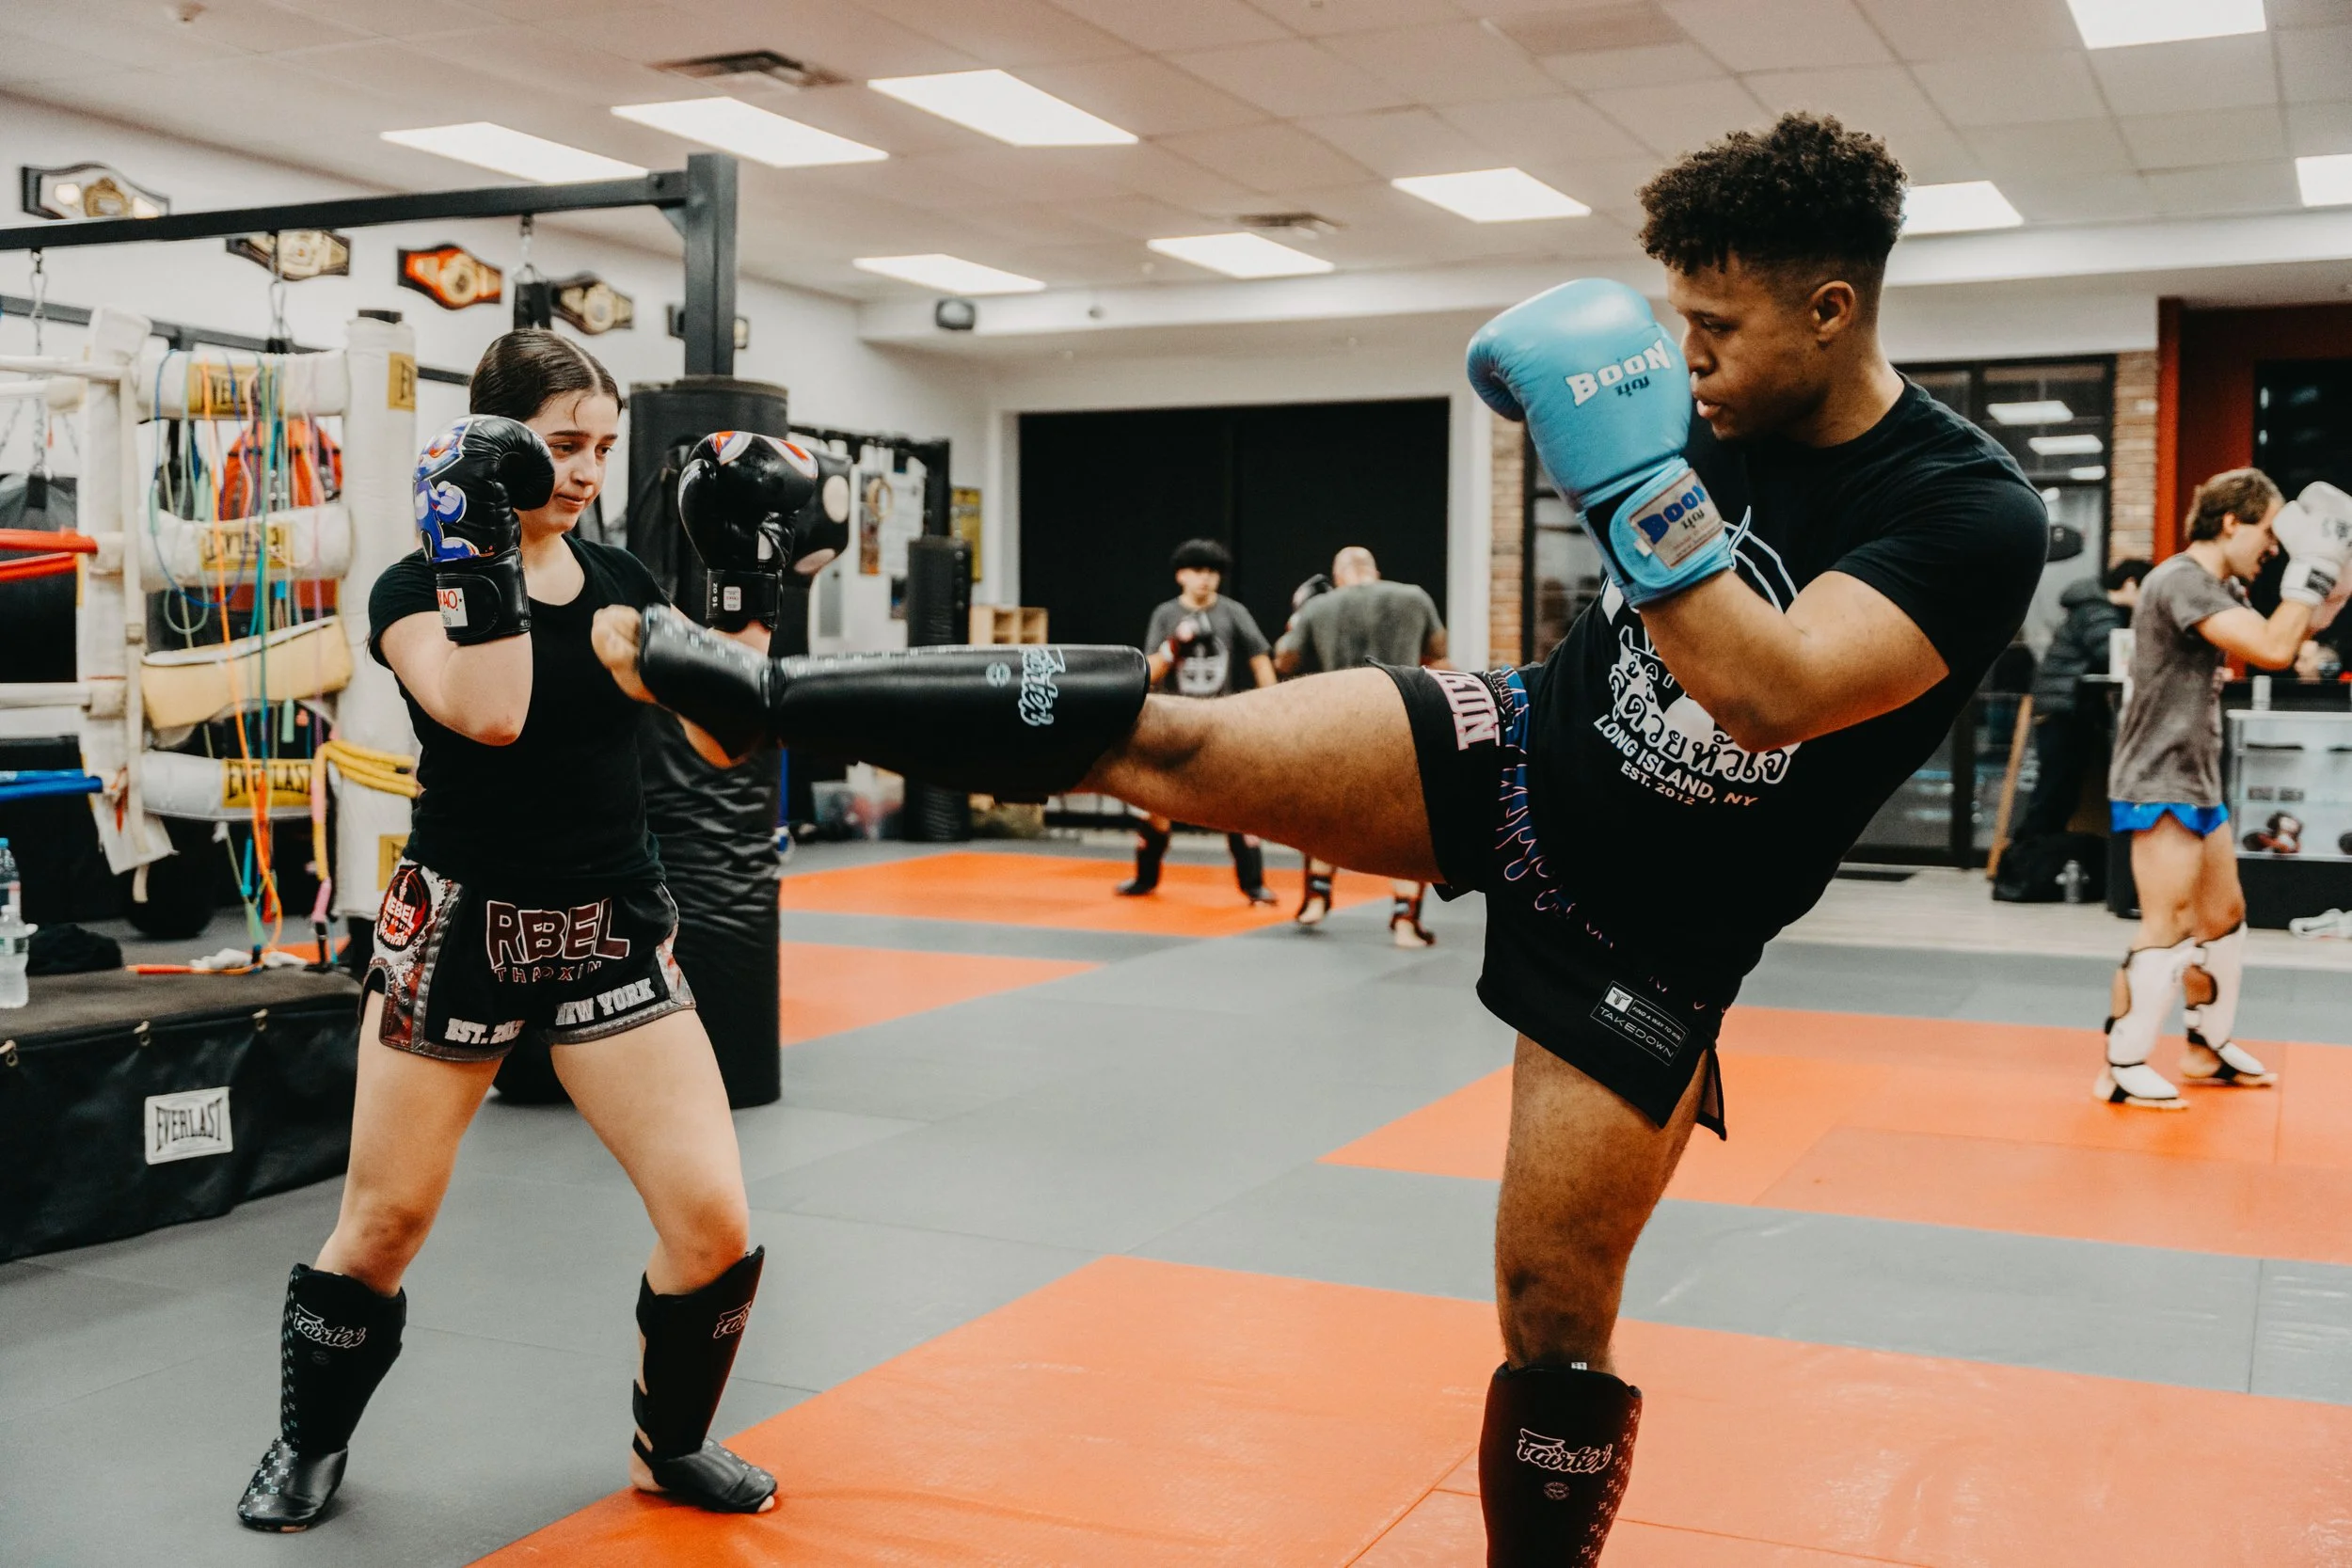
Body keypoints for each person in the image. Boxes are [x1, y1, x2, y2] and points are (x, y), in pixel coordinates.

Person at [594, 114, 2072, 1562]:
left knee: (1553, 1303)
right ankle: (766, 694)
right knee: (1174, 737)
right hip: (1519, 747)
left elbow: (1772, 691)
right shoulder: (1709, 402)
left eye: (1718, 327)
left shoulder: (1966, 509)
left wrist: (1625, 474)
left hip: (1656, 919)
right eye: (1676, 323)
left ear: (1832, 308)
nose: (1688, 361)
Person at [235, 332, 829, 1530]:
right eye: (562, 444)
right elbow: (493, 714)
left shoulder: (623, 587)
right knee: (386, 1221)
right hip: (456, 920)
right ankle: (307, 1438)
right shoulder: (410, 589)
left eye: (604, 449)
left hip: (610, 915)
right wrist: (478, 548)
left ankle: (673, 1444)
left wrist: (742, 585)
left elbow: (724, 740)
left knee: (713, 1220)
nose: (586, 471)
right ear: (495, 441)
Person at [2098, 472, 2352, 1109]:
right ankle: (2123, 1062)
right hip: (2158, 774)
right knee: (2170, 923)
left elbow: (2293, 635)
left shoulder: (2220, 586)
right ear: (2231, 522)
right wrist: (2315, 565)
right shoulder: (2181, 579)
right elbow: (2271, 646)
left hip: (2196, 774)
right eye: (2269, 530)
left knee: (2224, 919)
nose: (2275, 546)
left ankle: (2204, 1047)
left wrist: (2334, 584)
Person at [1276, 546, 1450, 944]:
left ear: (1339, 576)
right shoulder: (1413, 596)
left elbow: (1284, 661)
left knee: (1328, 812)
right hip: (1402, 716)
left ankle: (1315, 899)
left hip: (1339, 718)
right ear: (1374, 569)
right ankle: (1405, 920)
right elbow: (1437, 654)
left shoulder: (1320, 607)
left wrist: (1301, 616)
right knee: (1409, 822)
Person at [1120, 537, 1278, 904]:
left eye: (1211, 572)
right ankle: (1145, 878)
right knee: (1157, 805)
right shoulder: (1166, 615)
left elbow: (1260, 658)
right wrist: (1174, 646)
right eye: (1196, 571)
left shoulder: (1233, 612)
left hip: (1220, 722)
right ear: (1181, 576)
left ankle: (1253, 883)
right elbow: (1151, 672)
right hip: (1172, 721)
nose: (1204, 579)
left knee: (1237, 805)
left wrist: (1273, 706)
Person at [2015, 558, 2149, 840]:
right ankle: (2025, 869)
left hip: (2065, 708)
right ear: (2130, 585)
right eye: (2146, 591)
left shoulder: (2096, 609)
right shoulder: (2098, 612)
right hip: (2064, 709)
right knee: (2055, 792)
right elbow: (2115, 658)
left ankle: (2036, 863)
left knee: (2060, 792)